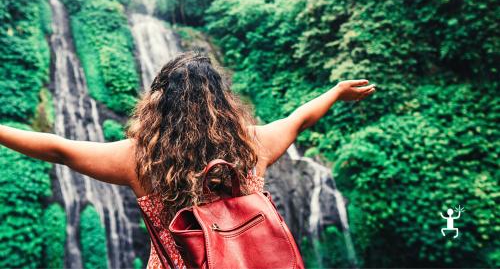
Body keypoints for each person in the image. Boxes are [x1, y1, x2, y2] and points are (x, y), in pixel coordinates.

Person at [0, 51, 375, 268]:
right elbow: (299, 119)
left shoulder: (139, 159)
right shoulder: (251, 145)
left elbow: (57, 148)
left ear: (158, 101)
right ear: (221, 100)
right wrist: (336, 92)